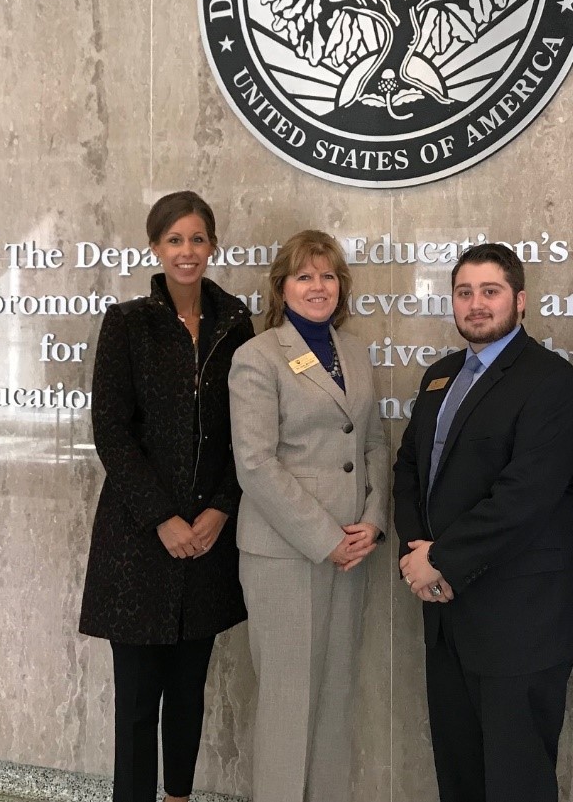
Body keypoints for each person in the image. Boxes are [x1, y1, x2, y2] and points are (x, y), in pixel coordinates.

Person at [393, 242, 573, 802]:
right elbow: (410, 467)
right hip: (447, 608)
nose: (476, 304)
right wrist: (416, 553)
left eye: (490, 292)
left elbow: (524, 498)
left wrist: (437, 559)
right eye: (464, 293)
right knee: (459, 771)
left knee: (516, 779)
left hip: (522, 618)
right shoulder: (440, 376)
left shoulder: (551, 381)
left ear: (520, 300)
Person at [79, 191, 255, 802]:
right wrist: (162, 518)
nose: (187, 251)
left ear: (213, 245)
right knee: (136, 705)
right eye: (174, 239)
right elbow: (111, 431)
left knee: (188, 694)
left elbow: (249, 432)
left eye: (198, 239)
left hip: (208, 539)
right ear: (155, 247)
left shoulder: (236, 322)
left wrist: (218, 509)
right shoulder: (128, 323)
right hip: (138, 543)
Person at [228, 229, 387, 802]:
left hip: (353, 549)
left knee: (334, 697)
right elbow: (254, 463)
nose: (317, 286)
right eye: (304, 276)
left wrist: (372, 521)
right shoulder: (257, 356)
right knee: (289, 703)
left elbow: (373, 444)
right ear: (282, 287)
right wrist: (326, 538)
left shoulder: (356, 351)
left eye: (327, 276)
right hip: (286, 554)